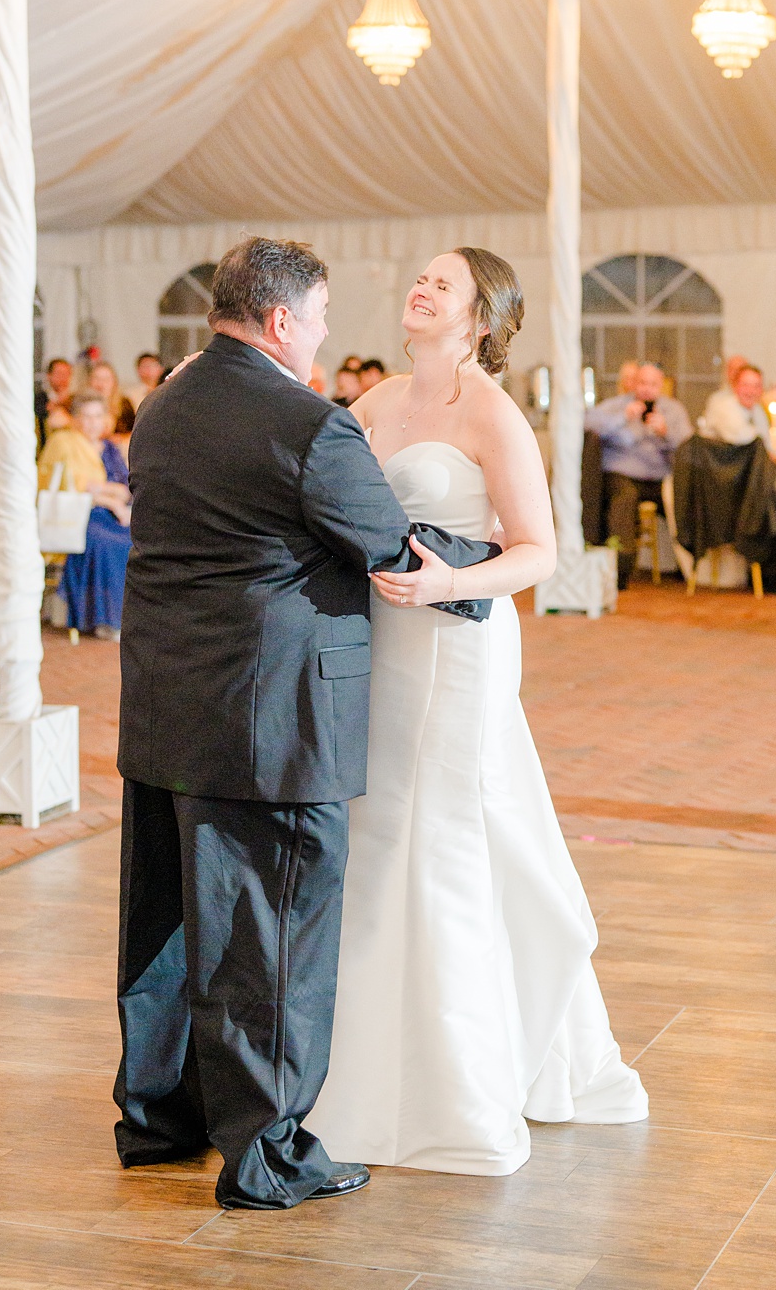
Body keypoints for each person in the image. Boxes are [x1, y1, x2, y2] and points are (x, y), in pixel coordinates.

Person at [112, 235, 502, 1209]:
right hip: (270, 720)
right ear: (283, 320)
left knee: (167, 929)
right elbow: (388, 545)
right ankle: (266, 1153)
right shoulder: (306, 425)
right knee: (273, 940)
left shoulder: (162, 408)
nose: (327, 334)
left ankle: (158, 1120)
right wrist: (485, 571)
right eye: (322, 317)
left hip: (165, 709)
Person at [314, 246, 647, 1174]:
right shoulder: (375, 403)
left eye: (442, 283)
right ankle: (365, 1066)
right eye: (417, 275)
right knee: (381, 831)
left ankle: (456, 1083)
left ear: (480, 318)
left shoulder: (493, 413)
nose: (420, 287)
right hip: (380, 643)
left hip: (456, 646)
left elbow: (539, 551)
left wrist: (453, 580)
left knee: (446, 833)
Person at [693, 360, 776, 592]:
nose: (751, 391)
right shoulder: (725, 408)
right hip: (724, 490)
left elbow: (764, 448)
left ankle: (772, 572)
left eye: (756, 386)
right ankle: (770, 576)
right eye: (746, 385)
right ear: (735, 386)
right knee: (775, 506)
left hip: (748, 486)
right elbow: (746, 442)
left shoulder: (756, 412)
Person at [585, 361, 689, 588]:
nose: (646, 389)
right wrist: (623, 417)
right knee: (624, 498)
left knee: (685, 497)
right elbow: (588, 422)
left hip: (659, 478)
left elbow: (688, 449)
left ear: (661, 385)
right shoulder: (618, 405)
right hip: (622, 474)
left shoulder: (672, 410)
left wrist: (665, 433)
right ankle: (620, 571)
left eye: (652, 384)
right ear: (634, 383)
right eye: (642, 382)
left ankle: (690, 567)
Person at [38, 391, 130, 638]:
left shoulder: (109, 448)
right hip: (79, 516)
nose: (92, 422)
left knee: (136, 540)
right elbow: (70, 487)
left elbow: (125, 487)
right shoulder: (63, 442)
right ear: (76, 419)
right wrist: (110, 498)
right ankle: (104, 620)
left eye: (98, 416)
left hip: (112, 515)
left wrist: (106, 491)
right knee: (108, 544)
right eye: (86, 417)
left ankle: (131, 617)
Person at [86, 357, 135, 439]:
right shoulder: (82, 403)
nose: (100, 383)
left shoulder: (124, 403)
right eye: (96, 378)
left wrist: (120, 438)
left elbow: (134, 433)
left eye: (106, 379)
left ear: (114, 382)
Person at [39, 356, 75, 436]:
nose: (63, 378)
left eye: (66, 374)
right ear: (49, 376)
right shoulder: (39, 400)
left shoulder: (75, 400)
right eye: (59, 373)